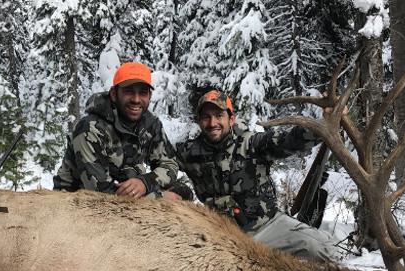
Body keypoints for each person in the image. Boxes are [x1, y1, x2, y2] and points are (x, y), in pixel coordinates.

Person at [176, 90, 338, 260]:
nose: (212, 123)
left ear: (231, 119)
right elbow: (165, 166)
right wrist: (176, 190)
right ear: (199, 121)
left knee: (325, 249)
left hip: (266, 227)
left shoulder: (253, 144)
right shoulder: (188, 152)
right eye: (206, 117)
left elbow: (289, 140)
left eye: (219, 115)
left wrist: (324, 124)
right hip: (217, 234)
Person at [53, 62, 188, 200]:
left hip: (123, 193)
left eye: (142, 93)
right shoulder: (90, 129)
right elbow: (100, 193)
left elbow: (169, 164)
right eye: (129, 91)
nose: (136, 100)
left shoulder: (150, 125)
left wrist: (145, 183)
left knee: (183, 192)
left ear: (149, 96)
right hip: (77, 201)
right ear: (114, 94)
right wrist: (159, 199)